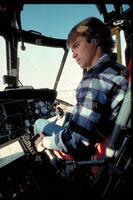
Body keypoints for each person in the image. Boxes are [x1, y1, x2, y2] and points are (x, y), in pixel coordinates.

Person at [34, 17, 128, 159]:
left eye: (76, 45)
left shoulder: (95, 80)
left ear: (95, 40)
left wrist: (45, 142)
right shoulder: (117, 69)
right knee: (68, 116)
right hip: (102, 137)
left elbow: (77, 141)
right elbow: (97, 109)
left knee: (39, 123)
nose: (73, 55)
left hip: (85, 151)